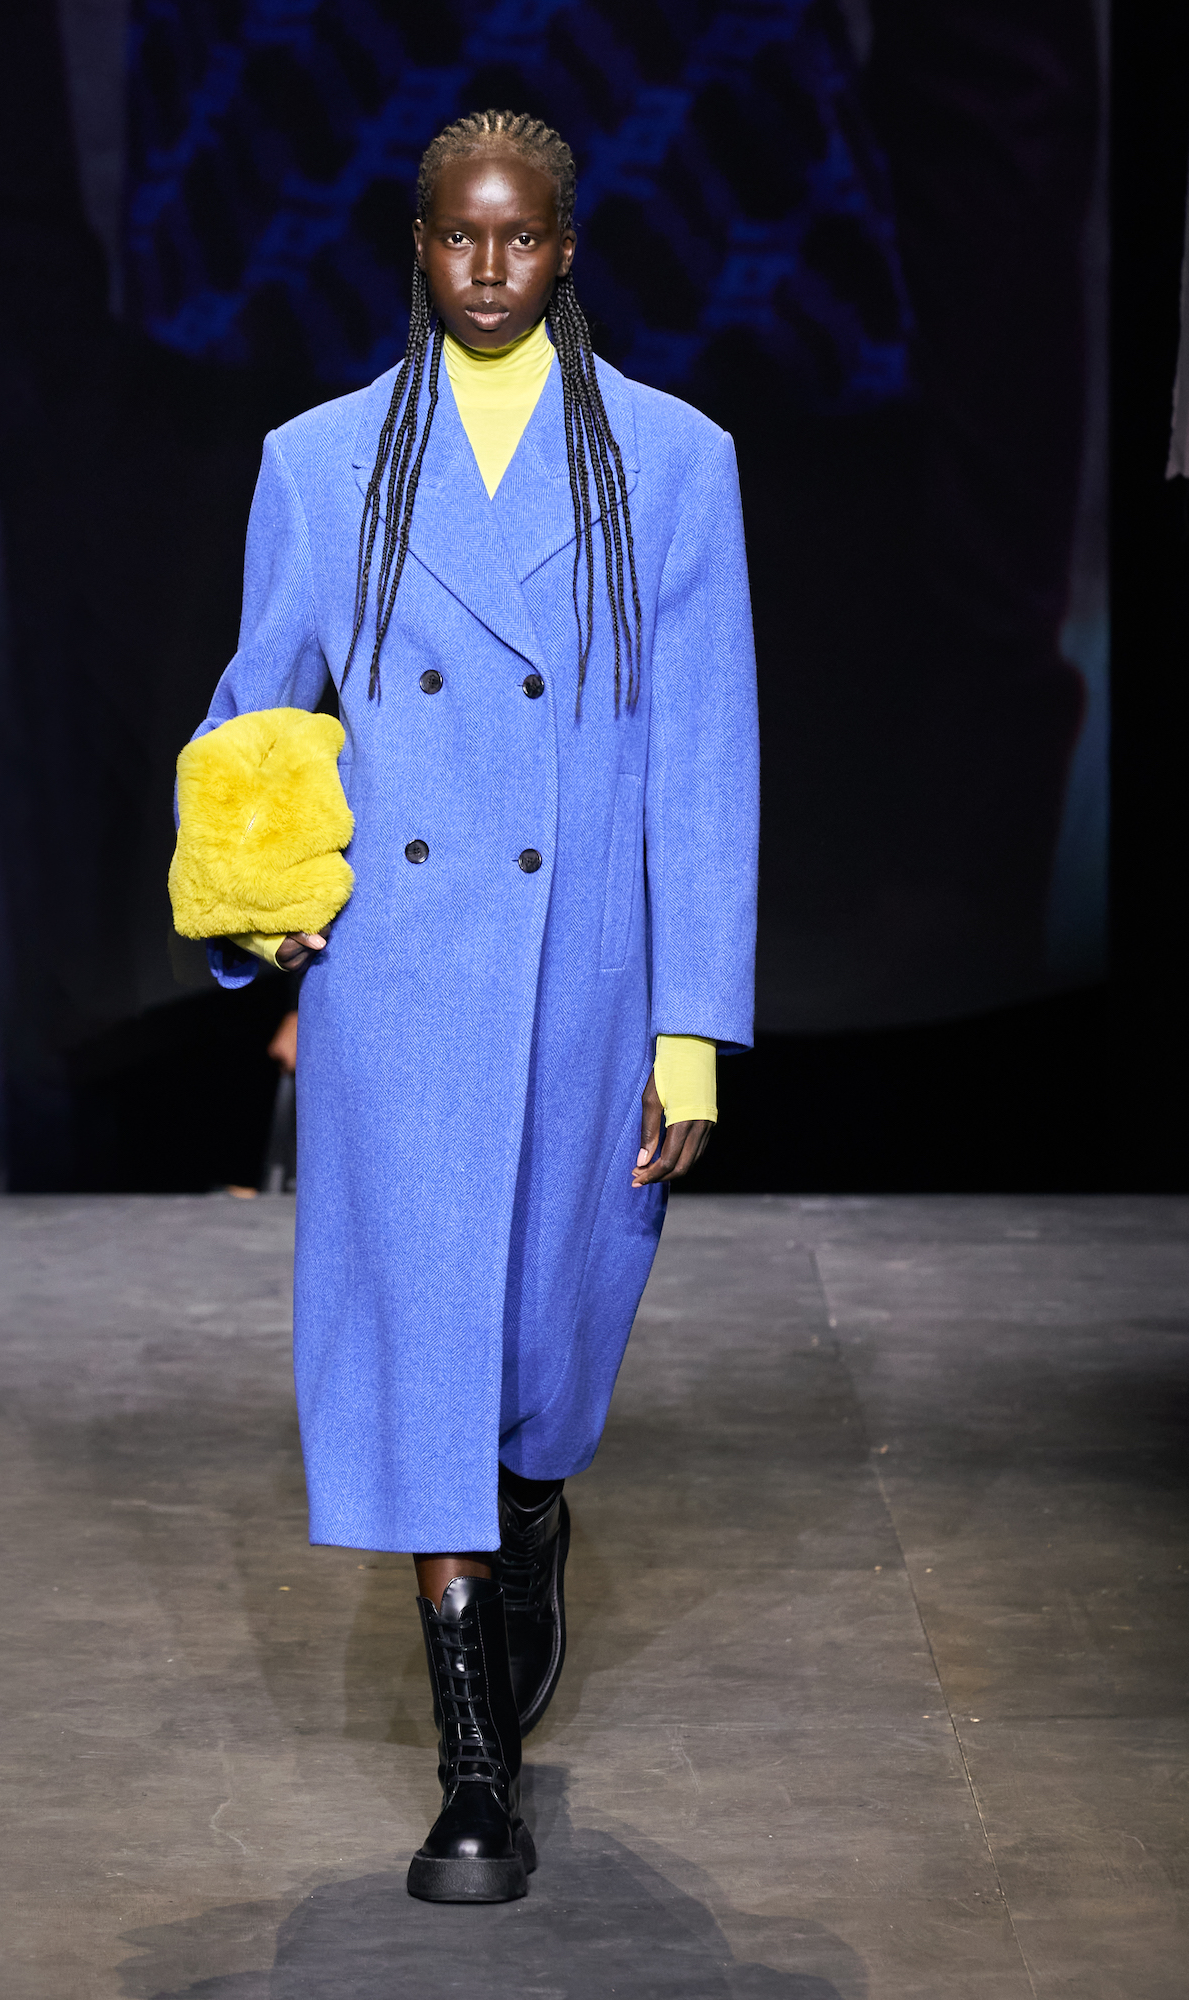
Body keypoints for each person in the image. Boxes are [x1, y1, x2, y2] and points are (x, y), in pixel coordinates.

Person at [187, 110, 758, 1903]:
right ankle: (472, 1780)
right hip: (403, 990)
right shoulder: (320, 464)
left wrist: (692, 1029)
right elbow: (256, 712)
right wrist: (260, 900)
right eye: (459, 237)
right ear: (417, 245)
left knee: (532, 1375)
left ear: (566, 248)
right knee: (425, 1357)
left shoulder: (672, 465)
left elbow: (703, 765)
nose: (489, 268)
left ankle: (530, 1511)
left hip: (587, 985)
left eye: (520, 239)